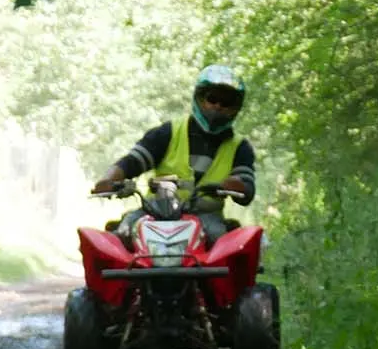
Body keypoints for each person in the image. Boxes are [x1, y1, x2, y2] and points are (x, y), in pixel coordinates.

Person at [92, 64, 256, 240]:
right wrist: (109, 179)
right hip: (155, 213)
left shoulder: (240, 147)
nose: (217, 106)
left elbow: (246, 186)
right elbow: (133, 161)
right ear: (199, 98)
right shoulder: (168, 132)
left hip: (207, 219)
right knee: (122, 235)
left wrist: (238, 185)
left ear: (235, 108)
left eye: (226, 102)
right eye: (212, 98)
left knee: (227, 248)